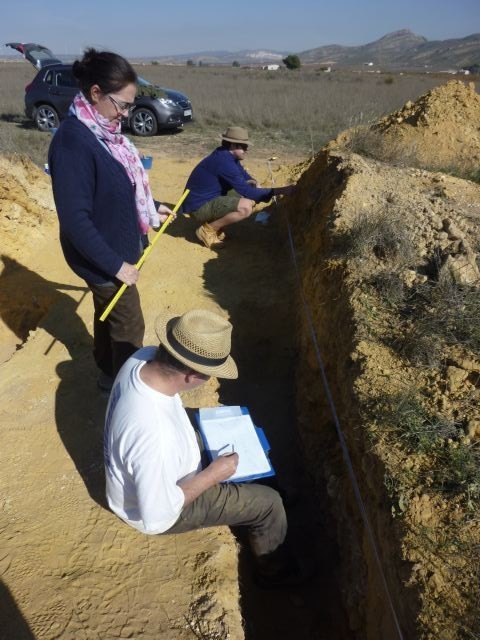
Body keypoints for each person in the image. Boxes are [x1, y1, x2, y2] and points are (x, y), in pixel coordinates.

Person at [104, 308, 305, 587]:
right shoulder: (153, 435)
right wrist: (213, 474)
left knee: (236, 432)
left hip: (167, 460)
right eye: (209, 374)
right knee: (268, 506)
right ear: (191, 374)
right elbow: (156, 516)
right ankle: (276, 574)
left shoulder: (143, 359)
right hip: (161, 506)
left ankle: (271, 486)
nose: (210, 380)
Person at [48, 49, 172, 391]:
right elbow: (75, 220)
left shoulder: (106, 136)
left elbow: (118, 187)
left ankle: (106, 371)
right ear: (96, 93)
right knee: (128, 325)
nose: (127, 114)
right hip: (103, 259)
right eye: (122, 104)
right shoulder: (73, 142)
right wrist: (116, 266)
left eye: (131, 105)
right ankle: (124, 390)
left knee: (108, 314)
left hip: (114, 250)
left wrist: (152, 206)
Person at [183, 126, 295, 249]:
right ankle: (208, 231)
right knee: (245, 207)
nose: (247, 150)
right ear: (232, 145)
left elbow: (242, 174)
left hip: (206, 198)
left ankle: (216, 226)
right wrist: (280, 191)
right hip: (198, 207)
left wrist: (254, 182)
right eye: (244, 146)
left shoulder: (225, 154)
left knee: (247, 195)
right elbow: (248, 191)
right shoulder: (224, 162)